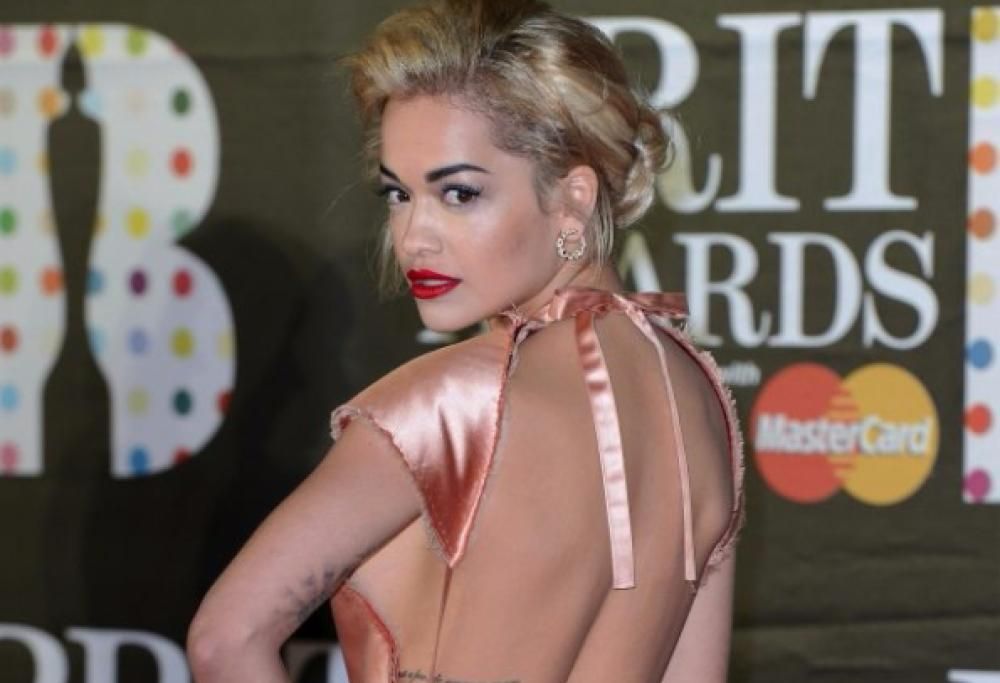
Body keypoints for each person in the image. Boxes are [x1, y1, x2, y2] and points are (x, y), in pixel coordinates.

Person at [186, 1, 744, 681]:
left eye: (458, 194)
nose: (413, 237)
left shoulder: (454, 405)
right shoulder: (697, 394)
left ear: (572, 198)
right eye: (398, 195)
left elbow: (225, 640)